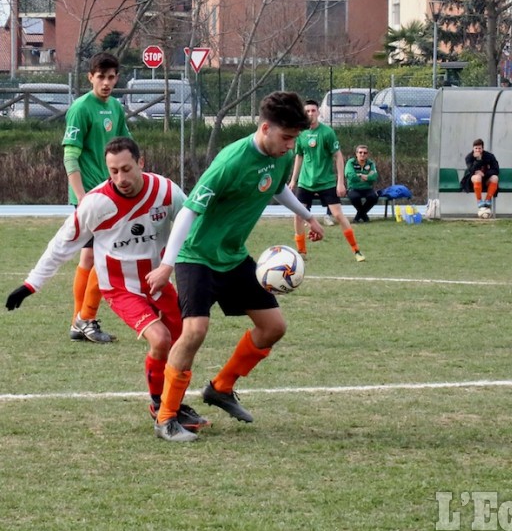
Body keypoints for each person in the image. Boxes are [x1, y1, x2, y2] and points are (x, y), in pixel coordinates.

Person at [145, 91, 325, 442]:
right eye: (286, 138)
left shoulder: (281, 155)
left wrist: (308, 216)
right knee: (194, 331)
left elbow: (277, 189)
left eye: (295, 139)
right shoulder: (230, 161)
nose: (291, 146)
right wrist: (167, 265)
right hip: (196, 255)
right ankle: (166, 416)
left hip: (232, 255)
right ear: (265, 128)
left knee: (273, 327)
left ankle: (221, 388)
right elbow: (188, 212)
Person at [5, 137, 208, 432]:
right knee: (161, 339)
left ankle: (173, 404)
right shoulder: (96, 203)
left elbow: (191, 225)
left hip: (158, 283)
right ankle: (159, 406)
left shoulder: (166, 191)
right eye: (113, 171)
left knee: (183, 342)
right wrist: (31, 284)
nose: (120, 178)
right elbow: (62, 244)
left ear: (141, 162)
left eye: (126, 169)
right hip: (120, 288)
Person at [63, 52, 131, 343]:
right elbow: (70, 156)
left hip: (112, 193)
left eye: (111, 77)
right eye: (100, 77)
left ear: (117, 78)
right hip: (93, 198)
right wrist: (82, 199)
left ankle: (79, 321)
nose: (106, 82)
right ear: (90, 77)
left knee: (90, 257)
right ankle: (85, 319)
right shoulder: (80, 108)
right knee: (104, 257)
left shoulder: (115, 107)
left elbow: (127, 146)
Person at [290, 99, 365, 262]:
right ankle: (301, 252)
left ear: (318, 112)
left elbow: (338, 156)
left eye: (313, 111)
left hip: (326, 182)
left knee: (338, 215)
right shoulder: (300, 133)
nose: (310, 114)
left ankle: (356, 250)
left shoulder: (327, 132)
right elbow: (299, 156)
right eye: (307, 111)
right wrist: (293, 180)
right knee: (298, 216)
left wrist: (340, 181)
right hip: (305, 182)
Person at [460, 138, 499, 209]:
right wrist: (478, 160)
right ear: (473, 148)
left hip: (486, 179)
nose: (478, 150)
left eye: (479, 148)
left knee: (495, 178)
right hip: (473, 181)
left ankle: (488, 200)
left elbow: (496, 169)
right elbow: (471, 170)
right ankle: (479, 200)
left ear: (483, 148)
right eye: (476, 148)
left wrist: (485, 173)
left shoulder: (490, 156)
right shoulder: (469, 157)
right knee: (478, 177)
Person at [345, 144, 379, 223]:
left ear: (367, 154)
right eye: (360, 152)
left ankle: (358, 217)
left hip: (367, 188)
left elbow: (374, 177)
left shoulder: (371, 163)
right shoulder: (351, 162)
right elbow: (350, 176)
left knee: (374, 197)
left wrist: (360, 175)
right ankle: (364, 217)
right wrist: (365, 176)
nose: (362, 154)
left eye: (365, 153)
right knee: (354, 197)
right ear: (356, 154)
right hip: (353, 188)